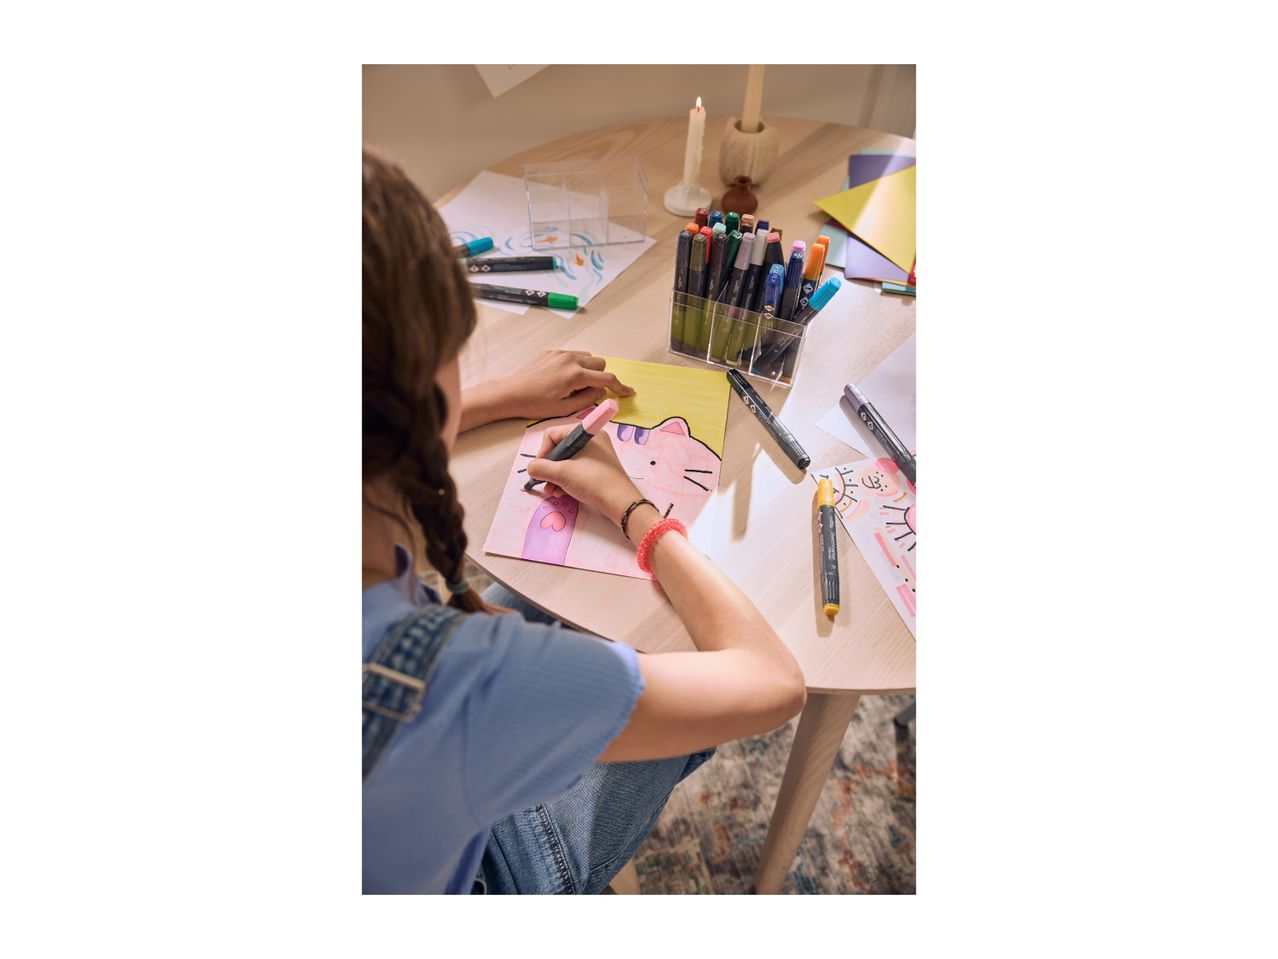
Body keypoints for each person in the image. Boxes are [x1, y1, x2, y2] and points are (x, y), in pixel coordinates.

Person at [362, 148, 806, 894]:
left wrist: (501, 393)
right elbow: (771, 682)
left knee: (563, 606)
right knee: (647, 638)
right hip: (485, 869)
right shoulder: (461, 680)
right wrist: (631, 507)